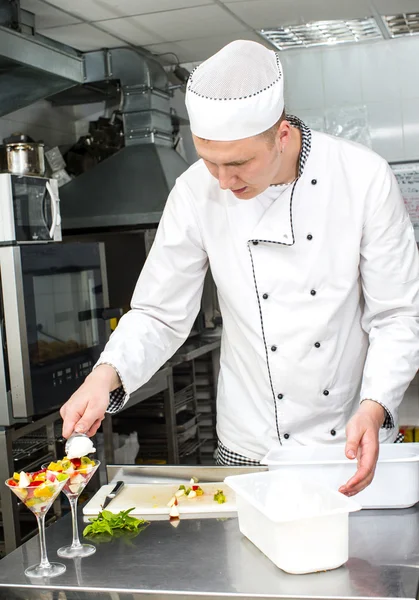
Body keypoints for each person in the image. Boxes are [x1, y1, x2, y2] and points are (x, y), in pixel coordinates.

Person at [60, 40, 419, 496]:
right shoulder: (194, 192)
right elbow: (158, 313)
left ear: (282, 135)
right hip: (249, 445)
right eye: (209, 162)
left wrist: (375, 406)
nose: (224, 182)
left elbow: (396, 315)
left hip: (349, 435)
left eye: (238, 163)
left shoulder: (362, 178)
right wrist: (103, 375)